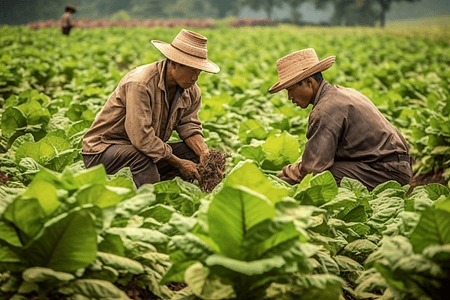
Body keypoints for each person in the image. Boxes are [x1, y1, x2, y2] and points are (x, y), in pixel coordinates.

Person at [81, 29, 220, 188]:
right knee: (141, 157)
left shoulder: (191, 91)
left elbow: (189, 126)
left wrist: (204, 154)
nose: (195, 78)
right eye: (192, 71)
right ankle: (151, 200)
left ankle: (170, 193)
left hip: (142, 149)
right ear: (174, 63)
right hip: (103, 153)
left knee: (191, 154)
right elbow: (141, 138)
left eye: (199, 72)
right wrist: (179, 163)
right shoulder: (140, 83)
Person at [269, 48, 413, 190]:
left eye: (290, 89)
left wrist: (286, 172)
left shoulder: (325, 109)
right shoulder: (343, 93)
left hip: (386, 172)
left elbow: (313, 169)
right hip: (394, 166)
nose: (289, 97)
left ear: (309, 83)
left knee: (318, 180)